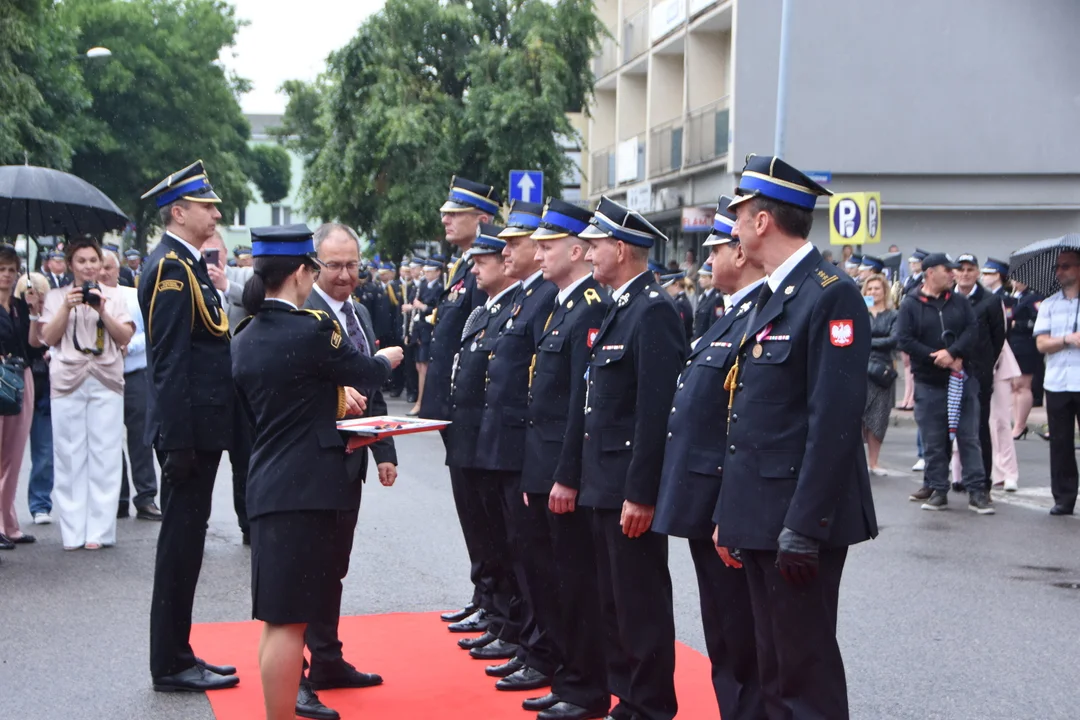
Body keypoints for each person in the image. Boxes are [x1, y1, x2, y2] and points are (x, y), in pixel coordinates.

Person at [713, 155, 877, 720]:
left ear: (762, 222)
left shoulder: (830, 294)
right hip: (761, 516)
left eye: (738, 215)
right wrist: (733, 515)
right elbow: (754, 418)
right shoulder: (770, 295)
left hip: (798, 521)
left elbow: (833, 422)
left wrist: (804, 527)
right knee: (775, 670)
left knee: (804, 677)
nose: (731, 228)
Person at [231, 224, 402, 720]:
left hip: (267, 485)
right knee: (289, 623)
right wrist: (386, 359)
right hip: (305, 489)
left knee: (275, 620)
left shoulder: (244, 335)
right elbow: (364, 372)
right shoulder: (310, 329)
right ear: (304, 273)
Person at [653, 196, 765, 720]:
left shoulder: (756, 318)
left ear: (741, 253)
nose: (707, 259)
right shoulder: (730, 316)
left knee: (742, 640)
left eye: (716, 247)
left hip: (728, 505)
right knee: (723, 633)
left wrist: (729, 510)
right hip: (707, 502)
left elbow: (743, 426)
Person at [579, 196, 684, 720]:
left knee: (639, 602)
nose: (587, 252)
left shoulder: (654, 311)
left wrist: (642, 492)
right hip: (603, 479)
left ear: (621, 249)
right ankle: (629, 697)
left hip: (627, 486)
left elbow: (654, 413)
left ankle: (650, 703)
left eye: (595, 244)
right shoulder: (619, 307)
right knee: (613, 601)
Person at [138, 160, 239, 692]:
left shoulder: (190, 264)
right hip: (188, 436)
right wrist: (175, 440)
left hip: (202, 431)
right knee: (179, 548)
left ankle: (180, 650)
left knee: (189, 545)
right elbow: (170, 361)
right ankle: (171, 662)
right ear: (179, 212)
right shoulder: (171, 269)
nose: (216, 213)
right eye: (207, 205)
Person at [295, 222, 398, 719]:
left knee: (334, 565)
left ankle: (328, 659)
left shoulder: (356, 312)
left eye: (352, 264)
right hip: (310, 458)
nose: (344, 275)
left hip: (351, 458)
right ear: (314, 266)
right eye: (333, 265)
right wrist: (335, 398)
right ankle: (295, 673)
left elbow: (369, 384)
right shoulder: (300, 314)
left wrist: (385, 452)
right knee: (302, 569)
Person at [521, 199, 611, 720]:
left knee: (577, 584)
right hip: (544, 465)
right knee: (554, 578)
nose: (538, 253)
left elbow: (582, 403)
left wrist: (565, 474)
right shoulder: (559, 304)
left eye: (548, 245)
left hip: (564, 471)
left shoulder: (589, 307)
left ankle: (585, 687)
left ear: (577, 250)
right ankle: (568, 677)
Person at [466, 203, 561, 690]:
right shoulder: (526, 297)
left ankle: (538, 648)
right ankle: (527, 641)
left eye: (518, 243)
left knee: (533, 560)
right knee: (518, 552)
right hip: (501, 445)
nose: (506, 251)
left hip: (523, 449)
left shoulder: (546, 297)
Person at [421, 176, 500, 629]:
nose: (446, 218)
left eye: (457, 212)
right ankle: (483, 595)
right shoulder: (461, 267)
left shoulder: (488, 269)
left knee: (485, 517)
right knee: (472, 515)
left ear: (483, 218)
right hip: (457, 413)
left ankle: (493, 602)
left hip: (473, 415)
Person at [444, 224, 525, 661]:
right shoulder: (491, 309)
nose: (474, 268)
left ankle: (505, 618)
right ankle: (493, 610)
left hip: (491, 440)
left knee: (503, 539)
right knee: (483, 532)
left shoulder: (517, 306)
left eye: (484, 259)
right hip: (470, 434)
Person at [30, 236, 135, 549]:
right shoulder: (57, 296)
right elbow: (47, 337)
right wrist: (66, 306)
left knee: (105, 454)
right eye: (82, 261)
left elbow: (125, 336)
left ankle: (100, 532)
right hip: (67, 380)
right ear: (71, 265)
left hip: (106, 380)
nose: (89, 267)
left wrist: (102, 311)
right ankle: (73, 531)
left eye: (93, 261)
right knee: (69, 454)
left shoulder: (114, 296)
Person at [896, 253, 993, 513]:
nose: (953, 274)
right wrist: (934, 356)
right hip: (929, 382)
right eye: (947, 269)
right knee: (934, 439)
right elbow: (904, 339)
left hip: (962, 378)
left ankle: (977, 491)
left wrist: (954, 354)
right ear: (929, 273)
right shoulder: (911, 304)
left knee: (968, 437)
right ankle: (938, 489)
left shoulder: (960, 303)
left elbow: (972, 331)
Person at [98, 250, 161, 521]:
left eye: (108, 267)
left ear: (117, 269)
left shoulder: (132, 296)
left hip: (134, 374)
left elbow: (148, 333)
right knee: (109, 441)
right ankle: (119, 498)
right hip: (102, 377)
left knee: (140, 439)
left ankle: (145, 497)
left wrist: (127, 346)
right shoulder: (87, 298)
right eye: (99, 267)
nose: (103, 272)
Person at [952, 254, 1006, 494]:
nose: (965, 273)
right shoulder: (946, 299)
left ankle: (982, 482)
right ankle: (946, 481)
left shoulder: (990, 301)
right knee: (946, 429)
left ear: (977, 273)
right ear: (954, 272)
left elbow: (998, 337)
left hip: (978, 374)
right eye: (960, 269)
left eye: (970, 269)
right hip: (949, 373)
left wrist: (985, 365)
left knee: (979, 428)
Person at [1033, 249, 1080, 515]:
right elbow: (1041, 343)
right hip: (1058, 382)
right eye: (1057, 267)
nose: (1060, 272)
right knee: (1060, 443)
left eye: (1066, 266)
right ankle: (1064, 497)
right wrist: (1065, 340)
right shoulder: (1050, 303)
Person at [0, 244, 38, 551]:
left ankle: (9, 523)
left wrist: (36, 313)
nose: (7, 275)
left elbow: (33, 346)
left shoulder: (19, 305)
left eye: (12, 270)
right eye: (1, 269)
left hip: (20, 377)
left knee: (13, 456)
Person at [17, 272, 55, 525]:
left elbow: (47, 340)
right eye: (30, 293)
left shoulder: (53, 312)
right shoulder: (13, 313)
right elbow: (28, 343)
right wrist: (30, 314)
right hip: (18, 387)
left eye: (41, 295)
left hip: (44, 390)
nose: (36, 298)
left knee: (44, 453)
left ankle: (40, 504)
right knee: (9, 455)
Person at [862, 273, 898, 475]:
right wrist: (874, 340)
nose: (873, 292)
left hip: (882, 371)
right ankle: (857, 463)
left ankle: (874, 462)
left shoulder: (893, 315)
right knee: (857, 417)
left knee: (878, 418)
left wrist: (868, 342)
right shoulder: (859, 311)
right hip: (860, 369)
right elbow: (854, 335)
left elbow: (894, 339)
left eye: (877, 288)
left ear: (885, 291)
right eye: (869, 289)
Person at [1009, 278, 1043, 439]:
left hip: (1026, 346)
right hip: (1012, 345)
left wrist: (1018, 325)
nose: (1016, 281)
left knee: (1023, 385)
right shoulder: (1012, 296)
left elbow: (1038, 321)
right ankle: (1016, 422)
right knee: (1015, 386)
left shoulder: (1034, 297)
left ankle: (1020, 424)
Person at [407, 259, 443, 416]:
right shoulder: (422, 286)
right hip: (420, 330)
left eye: (430, 271)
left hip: (429, 330)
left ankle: (422, 403)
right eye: (426, 271)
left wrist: (422, 307)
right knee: (419, 366)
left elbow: (437, 309)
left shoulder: (439, 288)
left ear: (437, 272)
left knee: (424, 368)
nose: (427, 274)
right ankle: (421, 401)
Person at [692, 262, 724, 341]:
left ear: (712, 278)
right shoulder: (703, 297)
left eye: (703, 277)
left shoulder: (717, 299)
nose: (700, 280)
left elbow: (716, 324)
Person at [660, 272, 693, 344]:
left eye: (666, 288)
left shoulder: (680, 304)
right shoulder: (678, 302)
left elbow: (678, 329)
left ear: (676, 285)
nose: (665, 291)